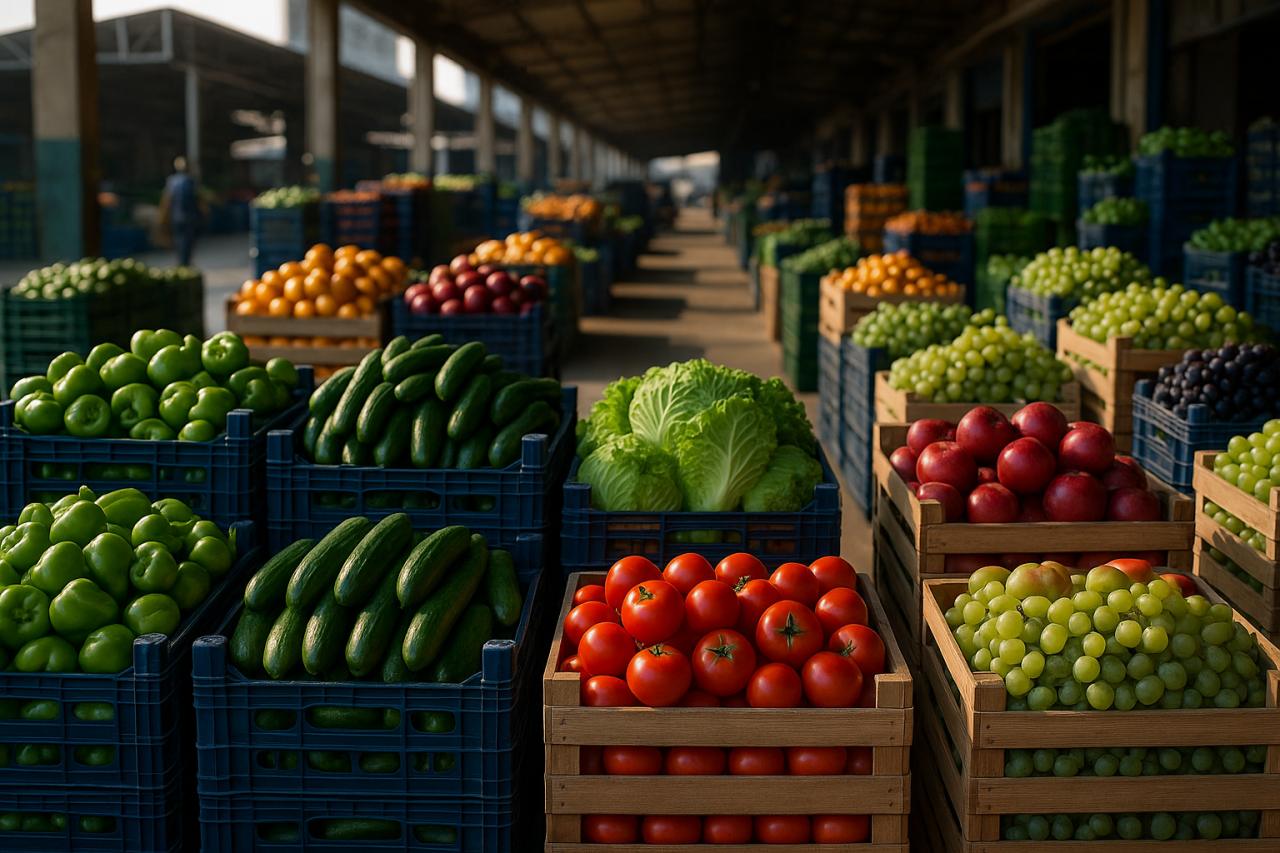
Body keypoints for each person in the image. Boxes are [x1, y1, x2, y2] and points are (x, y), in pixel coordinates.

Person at [162, 157, 199, 266]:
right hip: (188, 217)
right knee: (187, 241)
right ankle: (185, 262)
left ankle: (181, 262)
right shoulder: (189, 181)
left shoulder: (171, 181)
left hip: (176, 216)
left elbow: (167, 200)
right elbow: (194, 200)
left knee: (179, 240)